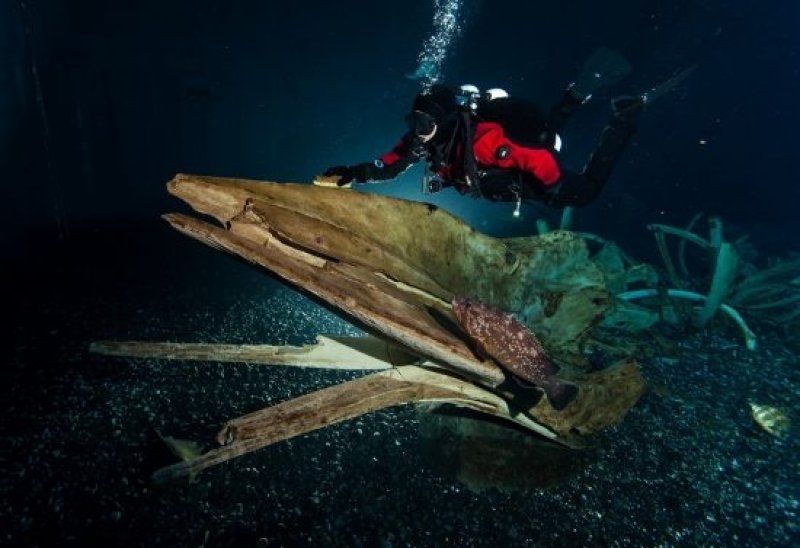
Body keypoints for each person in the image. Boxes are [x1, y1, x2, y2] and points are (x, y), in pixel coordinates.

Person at [320, 49, 688, 211]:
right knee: (546, 128)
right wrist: (353, 173)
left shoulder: (483, 139)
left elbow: (539, 158)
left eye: (424, 124)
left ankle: (623, 117)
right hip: (503, 170)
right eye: (413, 123)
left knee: (584, 190)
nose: (417, 132)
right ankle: (576, 95)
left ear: (442, 121)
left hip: (525, 177)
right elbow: (391, 163)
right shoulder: (422, 142)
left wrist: (553, 188)